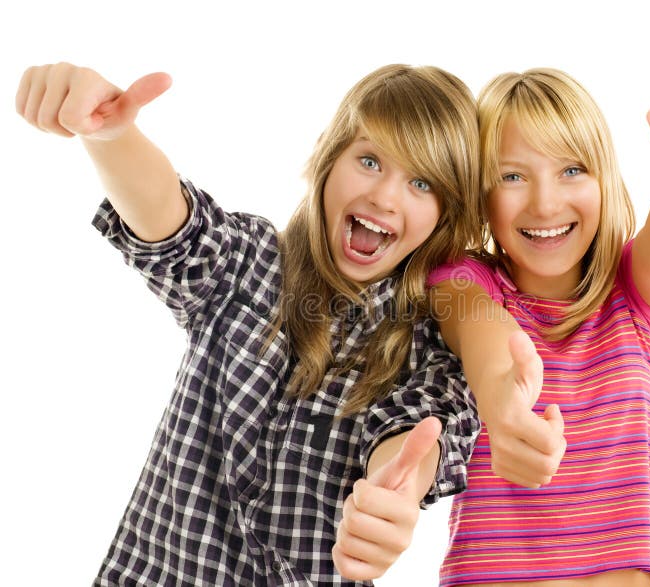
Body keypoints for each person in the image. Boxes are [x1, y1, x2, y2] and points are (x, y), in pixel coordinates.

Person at [15, 62, 484, 586]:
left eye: (421, 182)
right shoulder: (249, 265)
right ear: (331, 163)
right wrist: (111, 135)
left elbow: (419, 431)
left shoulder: (432, 348)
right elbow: (170, 219)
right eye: (370, 160)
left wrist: (392, 493)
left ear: (446, 215)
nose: (386, 197)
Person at [428, 68, 650, 587]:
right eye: (511, 176)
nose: (545, 203)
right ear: (480, 195)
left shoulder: (634, 292)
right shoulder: (463, 281)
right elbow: (480, 328)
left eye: (572, 169)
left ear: (605, 180)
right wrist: (502, 400)